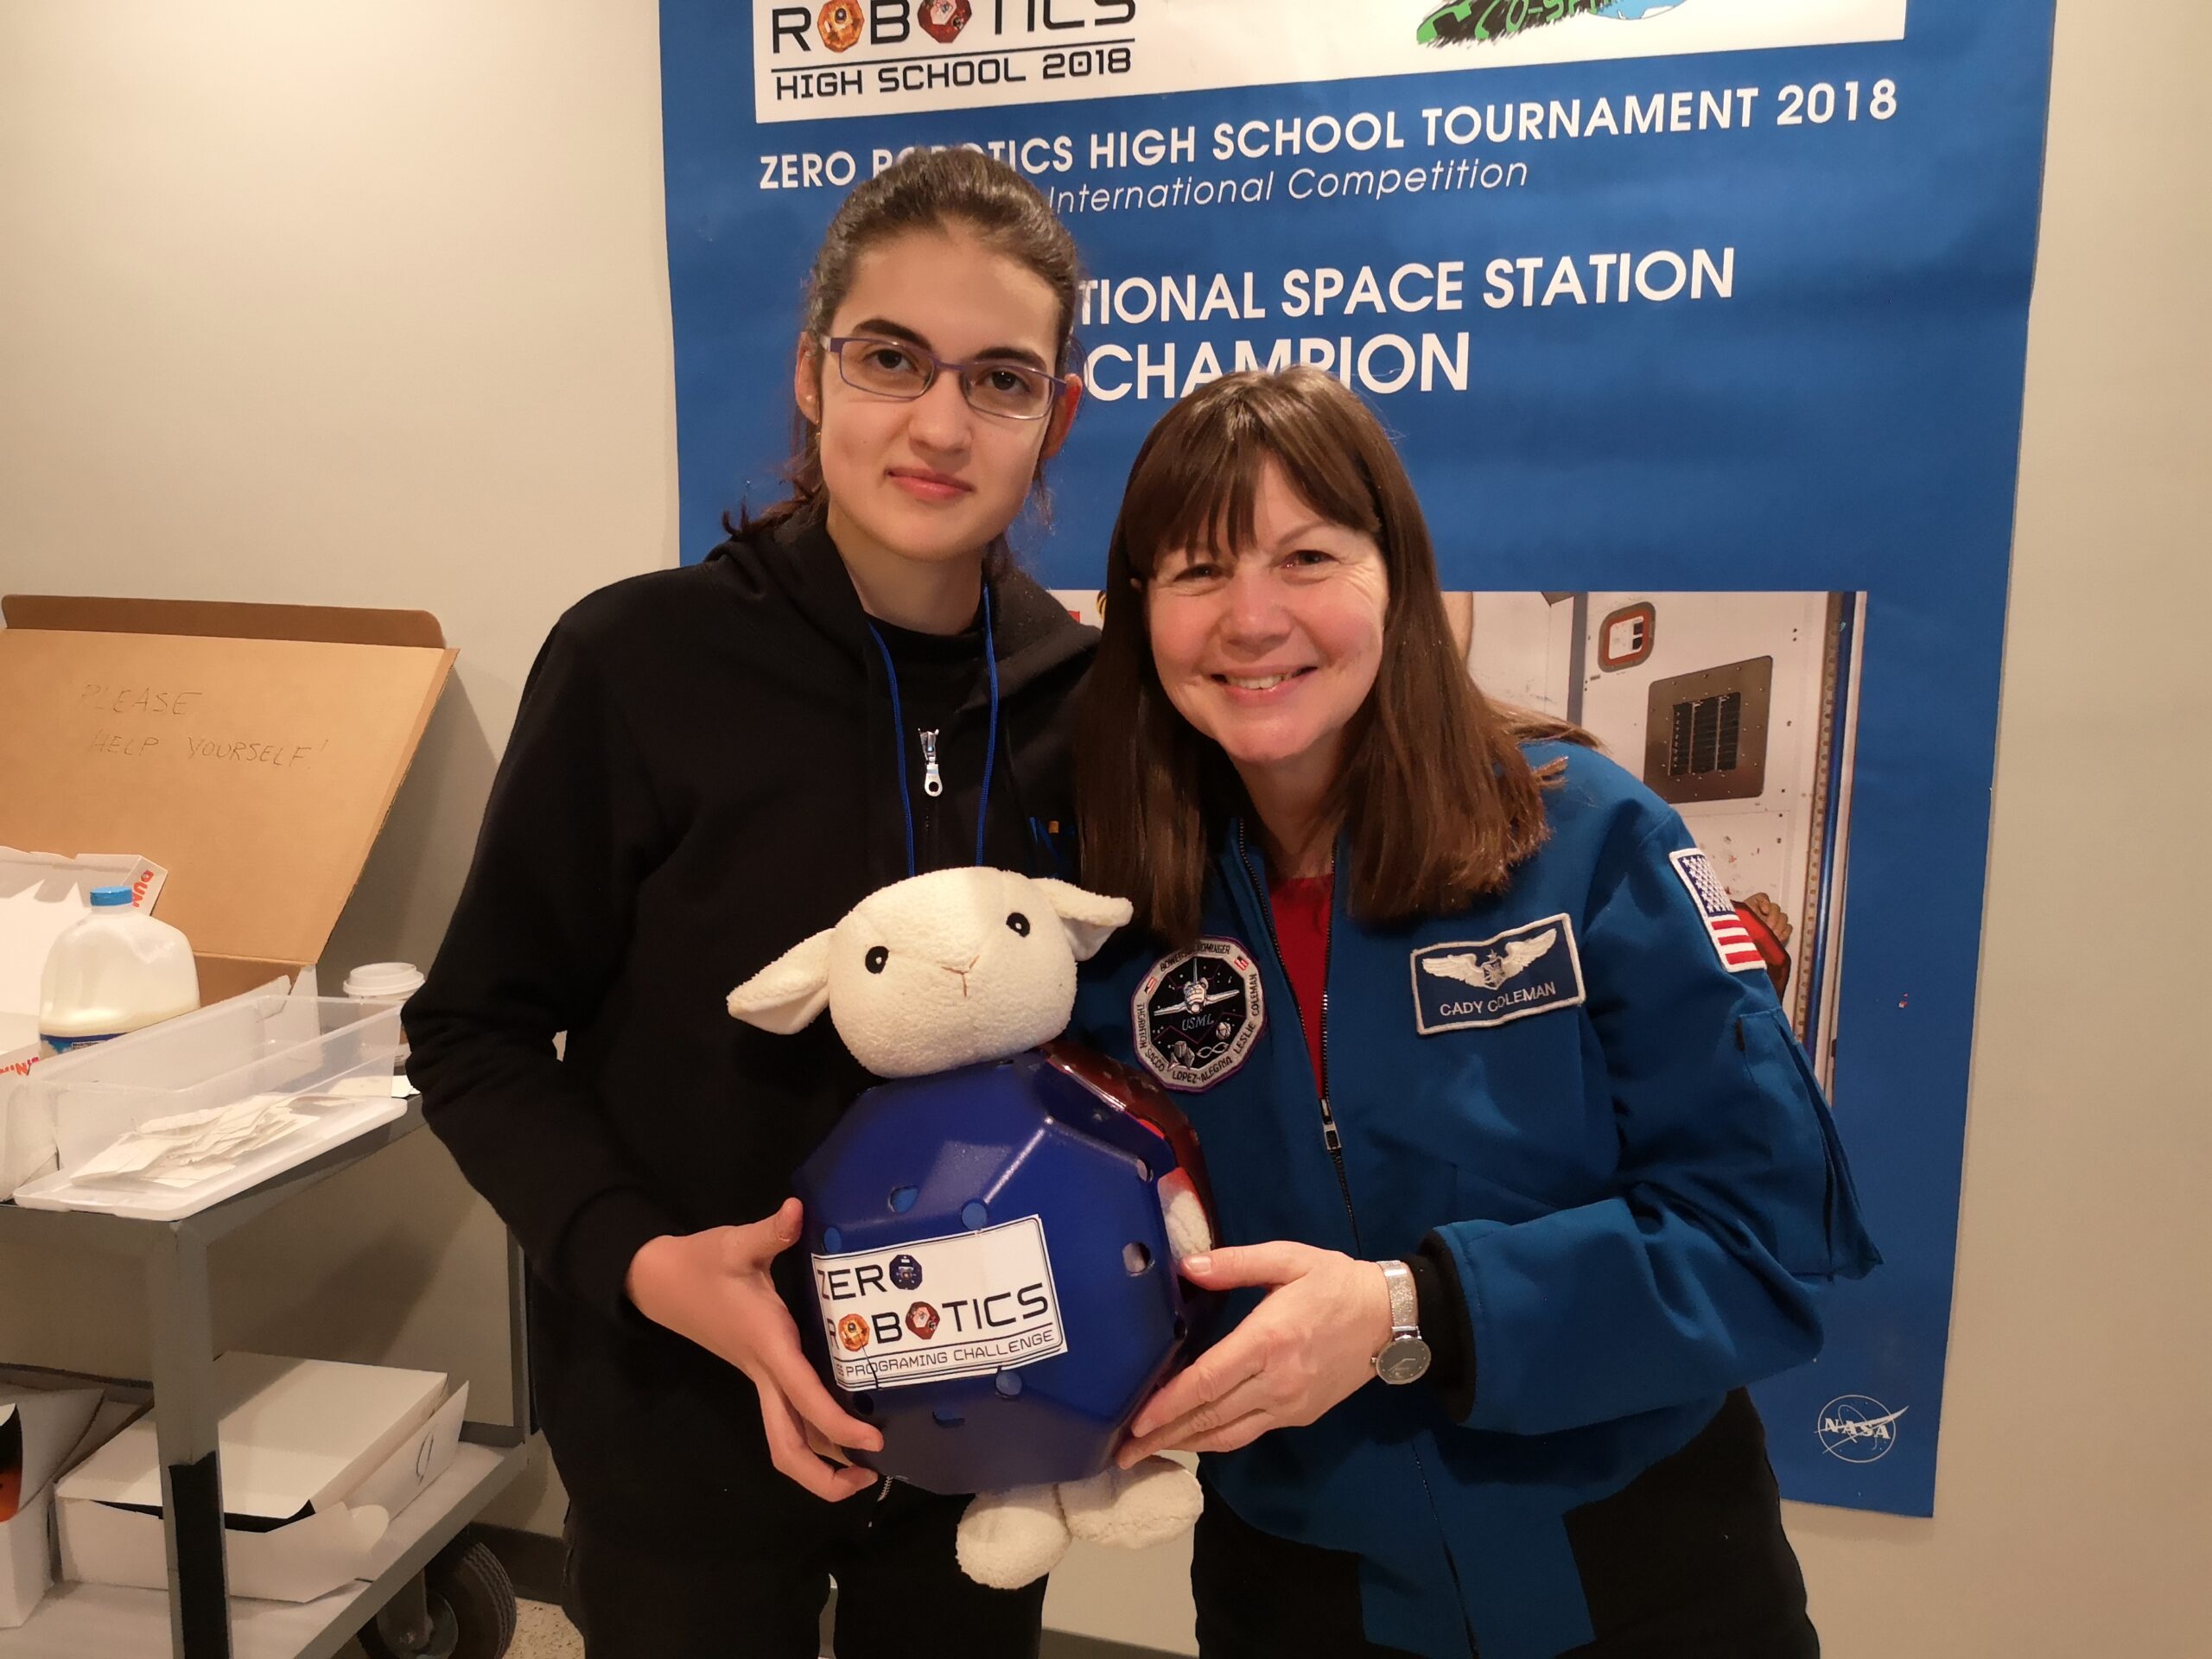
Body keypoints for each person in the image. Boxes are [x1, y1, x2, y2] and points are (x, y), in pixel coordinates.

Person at [1068, 367, 1878, 1659]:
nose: (1254, 617)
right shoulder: (1109, 918)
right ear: (1138, 612)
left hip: (1651, 1574)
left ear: (1398, 573)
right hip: (1300, 1596)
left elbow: (1764, 1237)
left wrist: (1413, 1312)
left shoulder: (1587, 838)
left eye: (1308, 555)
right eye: (1196, 571)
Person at [404, 149, 1093, 1659]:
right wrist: (647, 1263)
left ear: (1056, 418)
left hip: (988, 1426)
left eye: (1000, 379)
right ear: (810, 374)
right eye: (890, 358)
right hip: (680, 1415)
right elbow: (473, 1036)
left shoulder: (1089, 704)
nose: (936, 420)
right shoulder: (638, 665)